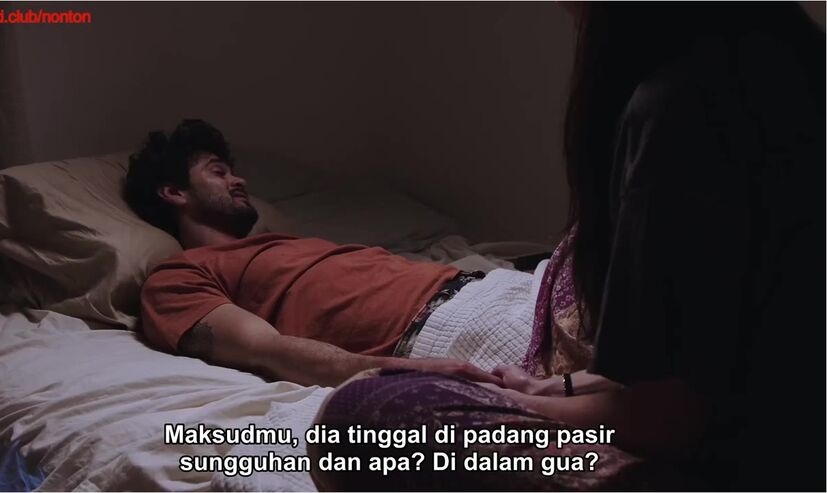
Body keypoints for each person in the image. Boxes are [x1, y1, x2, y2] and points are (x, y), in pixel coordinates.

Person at [307, 3, 825, 491]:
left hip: (753, 462)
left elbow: (669, 417)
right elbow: (708, 364)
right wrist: (560, 390)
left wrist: (514, 402)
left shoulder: (683, 104)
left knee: (360, 417)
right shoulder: (791, 53)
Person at [124, 119, 551, 388]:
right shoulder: (177, 277)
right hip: (443, 328)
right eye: (218, 172)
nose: (239, 181)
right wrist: (403, 372)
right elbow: (265, 349)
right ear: (174, 192)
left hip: (495, 290)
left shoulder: (287, 244)